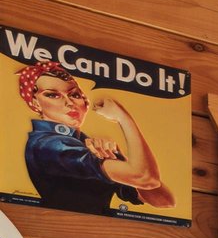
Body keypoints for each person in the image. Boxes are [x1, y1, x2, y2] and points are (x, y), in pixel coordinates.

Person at [17, 63, 175, 215]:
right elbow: (146, 177)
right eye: (52, 95)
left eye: (75, 94)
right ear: (35, 103)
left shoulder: (83, 143)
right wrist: (123, 117)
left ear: (84, 102)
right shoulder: (49, 145)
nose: (69, 103)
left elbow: (164, 201)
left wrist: (118, 157)